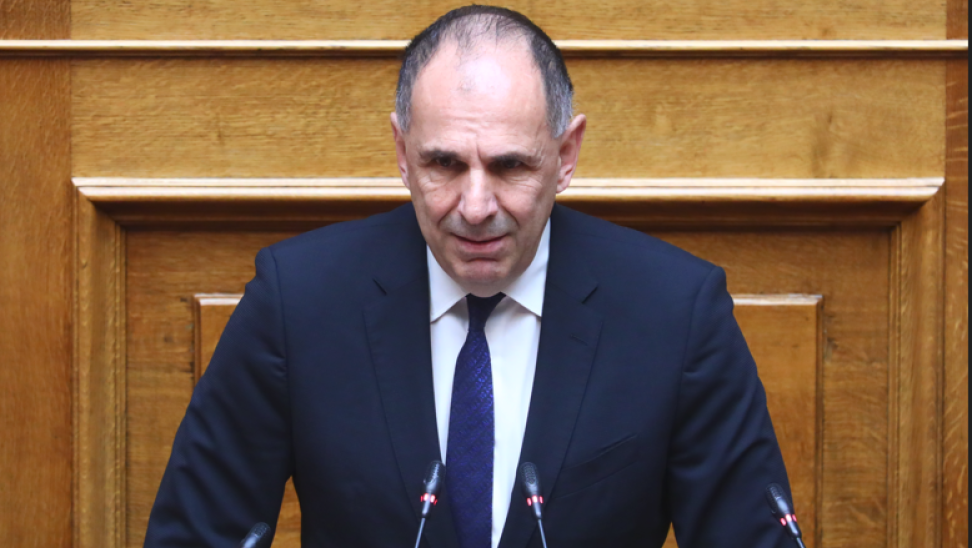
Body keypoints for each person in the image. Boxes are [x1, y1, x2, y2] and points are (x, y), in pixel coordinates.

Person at [144, 6, 794, 548]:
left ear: (566, 155)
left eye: (510, 166)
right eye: (444, 164)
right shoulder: (298, 301)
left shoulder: (676, 312)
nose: (476, 207)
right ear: (402, 153)